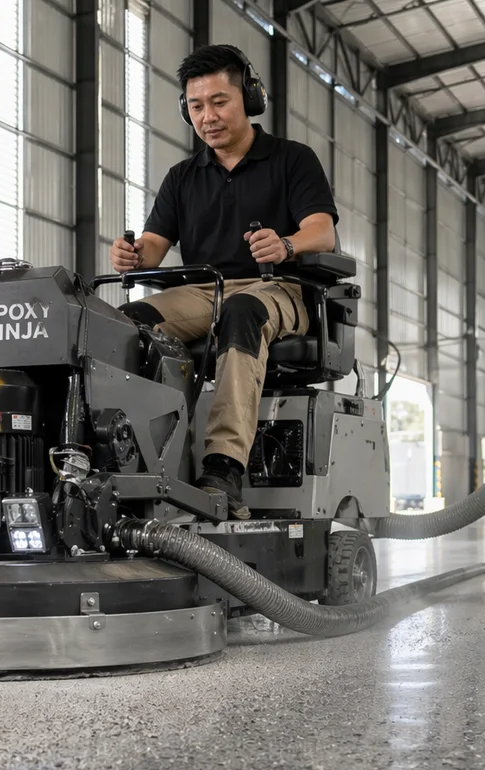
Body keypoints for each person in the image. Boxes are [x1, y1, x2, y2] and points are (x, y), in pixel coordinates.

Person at [110, 44, 338, 519]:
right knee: (125, 322)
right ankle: (135, 456)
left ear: (248, 99)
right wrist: (130, 255)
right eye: (196, 106)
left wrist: (287, 245)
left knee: (242, 311)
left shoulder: (293, 159)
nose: (207, 116)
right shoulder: (182, 177)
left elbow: (323, 230)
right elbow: (152, 245)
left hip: (278, 289)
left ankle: (223, 467)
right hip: (203, 291)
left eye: (219, 102)